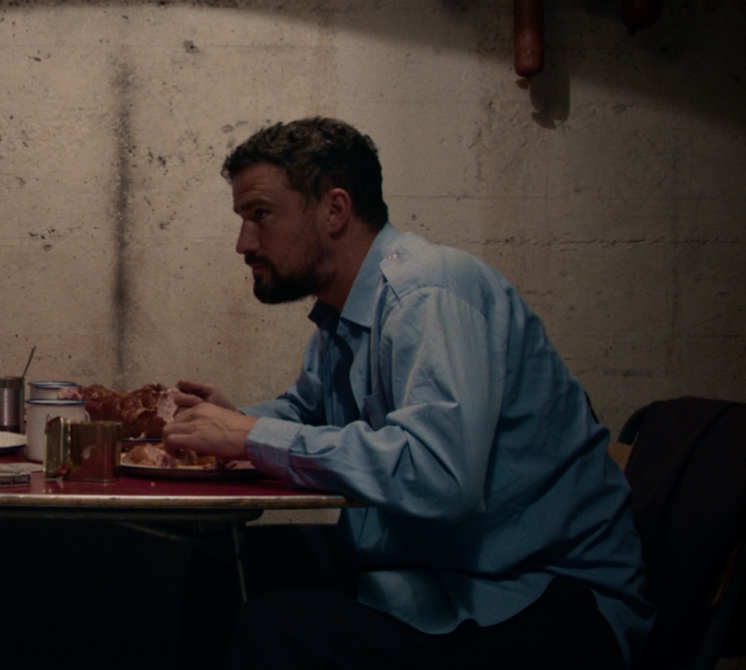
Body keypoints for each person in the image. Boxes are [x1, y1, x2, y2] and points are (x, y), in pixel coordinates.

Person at [164, 117, 652, 669]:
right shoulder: (345, 313)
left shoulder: (426, 296)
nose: (243, 243)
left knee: (275, 628)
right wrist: (228, 424)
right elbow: (307, 412)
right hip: (440, 572)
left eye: (261, 215)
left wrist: (253, 436)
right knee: (224, 563)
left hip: (545, 601)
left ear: (335, 210)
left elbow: (440, 476)